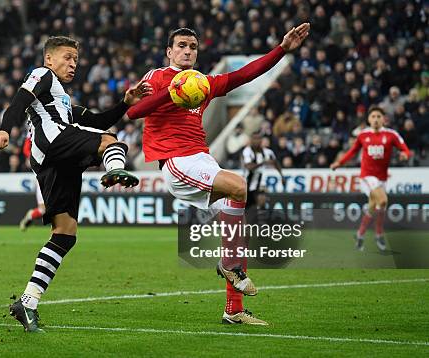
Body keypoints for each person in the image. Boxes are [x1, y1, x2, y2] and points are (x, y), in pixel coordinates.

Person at [127, 24, 310, 325]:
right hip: (176, 159)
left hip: (202, 158)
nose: (188, 51)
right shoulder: (157, 77)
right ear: (169, 51)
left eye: (193, 47)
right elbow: (135, 111)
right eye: (182, 45)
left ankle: (233, 310)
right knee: (239, 187)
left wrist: (281, 50)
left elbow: (244, 75)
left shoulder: (203, 83)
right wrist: (172, 94)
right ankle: (228, 266)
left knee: (236, 233)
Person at [0, 36, 151, 332]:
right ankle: (115, 169)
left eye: (76, 59)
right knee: (110, 142)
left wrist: (125, 104)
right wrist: (3, 128)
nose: (73, 64)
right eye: (67, 57)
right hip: (53, 146)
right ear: (49, 59)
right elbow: (19, 101)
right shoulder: (42, 75)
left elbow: (101, 120)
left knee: (65, 234)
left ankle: (27, 302)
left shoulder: (63, 102)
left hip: (53, 162)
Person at [330, 106, 411, 251]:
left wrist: (405, 155)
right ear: (368, 119)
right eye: (373, 116)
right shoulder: (363, 135)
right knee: (383, 201)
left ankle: (360, 235)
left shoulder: (391, 135)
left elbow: (405, 149)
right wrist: (339, 162)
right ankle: (379, 234)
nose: (376, 119)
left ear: (384, 119)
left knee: (373, 207)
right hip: (367, 177)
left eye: (378, 116)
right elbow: (352, 151)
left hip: (382, 178)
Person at [241, 132, 285, 209]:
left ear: (261, 140)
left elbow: (276, 163)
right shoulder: (247, 151)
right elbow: (249, 166)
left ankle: (262, 218)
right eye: (254, 138)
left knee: (262, 200)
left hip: (260, 185)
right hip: (247, 185)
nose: (256, 140)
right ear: (251, 140)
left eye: (258, 138)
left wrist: (282, 176)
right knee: (248, 209)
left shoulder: (268, 152)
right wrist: (263, 163)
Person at [19, 134, 45, 231]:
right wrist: (32, 157)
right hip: (43, 178)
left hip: (58, 176)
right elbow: (26, 147)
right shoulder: (34, 126)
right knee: (43, 210)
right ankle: (30, 215)